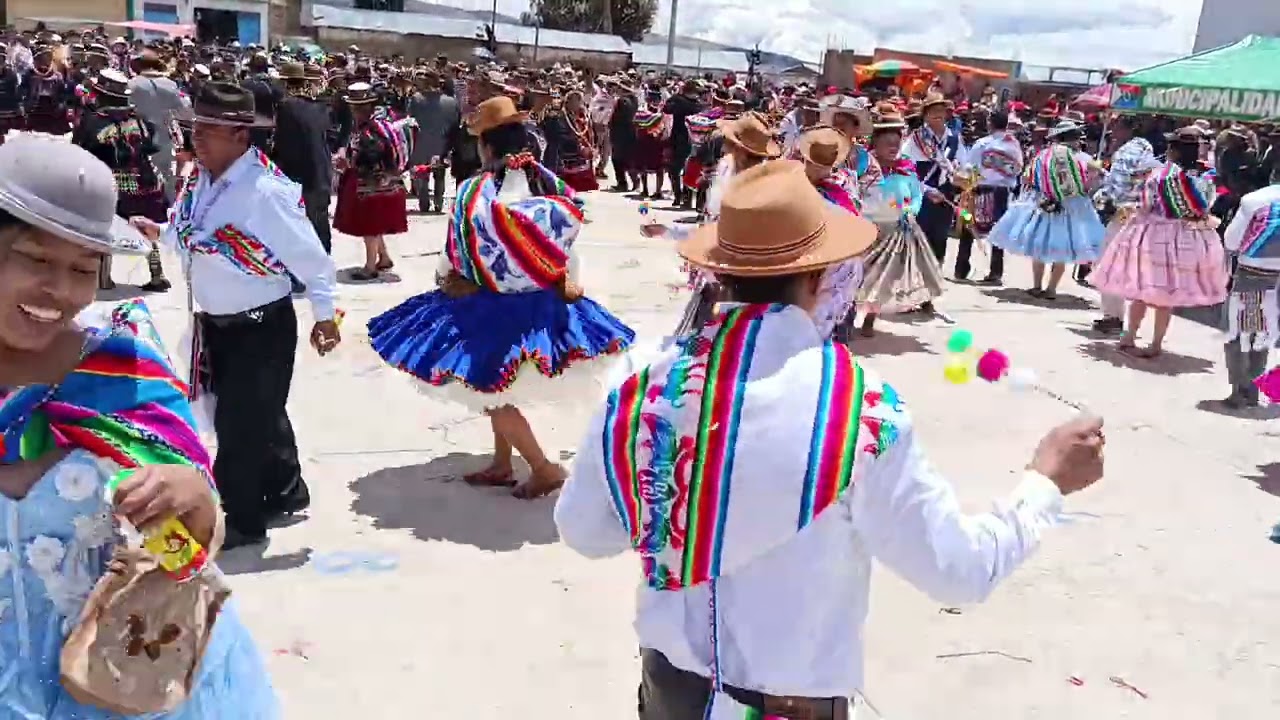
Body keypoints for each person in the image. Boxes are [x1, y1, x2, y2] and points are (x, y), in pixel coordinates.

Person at [555, 160, 1106, 720]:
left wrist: (683, 516)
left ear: (718, 272)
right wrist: (1045, 483)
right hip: (790, 705)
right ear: (819, 278)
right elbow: (957, 569)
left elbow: (585, 532)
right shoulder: (858, 410)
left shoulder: (642, 384)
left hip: (670, 691)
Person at [0, 134, 279, 717]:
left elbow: (182, 560)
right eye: (37, 259)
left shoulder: (124, 368)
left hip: (118, 678)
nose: (62, 292)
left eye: (83, 268)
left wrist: (196, 501)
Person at [367, 96, 633, 498]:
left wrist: (445, 279)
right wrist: (565, 278)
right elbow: (565, 244)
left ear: (486, 146)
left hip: (490, 304)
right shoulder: (546, 182)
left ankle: (543, 467)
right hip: (541, 302)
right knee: (496, 387)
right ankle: (502, 463)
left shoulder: (477, 193)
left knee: (487, 388)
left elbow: (456, 248)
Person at [131, 82, 341, 549]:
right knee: (260, 413)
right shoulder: (201, 181)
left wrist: (325, 317)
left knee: (238, 427)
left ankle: (243, 521)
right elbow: (194, 235)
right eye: (195, 127)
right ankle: (286, 489)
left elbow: (312, 260)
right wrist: (161, 232)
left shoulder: (265, 192)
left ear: (241, 137)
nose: (197, 137)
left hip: (261, 325)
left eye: (209, 129)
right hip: (216, 324)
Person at [1089, 126, 1228, 359]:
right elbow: (1205, 206)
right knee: (1167, 295)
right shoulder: (1204, 177)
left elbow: (1145, 204)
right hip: (1187, 237)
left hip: (1153, 235)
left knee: (1142, 289)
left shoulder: (1160, 174)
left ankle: (1129, 337)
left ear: (1173, 150)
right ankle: (1155, 344)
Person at [73, 69, 171, 293]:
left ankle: (104, 278)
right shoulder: (141, 120)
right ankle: (157, 276)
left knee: (105, 228)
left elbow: (80, 151)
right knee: (146, 227)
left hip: (110, 182)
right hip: (146, 181)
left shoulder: (93, 122)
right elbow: (152, 145)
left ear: (101, 95)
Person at [987, 120, 1105, 300]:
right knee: (1062, 249)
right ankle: (1051, 289)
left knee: (1039, 247)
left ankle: (1037, 286)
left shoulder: (1043, 156)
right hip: (1074, 207)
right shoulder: (1085, 160)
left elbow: (1027, 179)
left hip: (1044, 204)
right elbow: (1091, 185)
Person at [856, 104, 946, 336]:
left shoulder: (906, 168)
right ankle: (846, 315)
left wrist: (909, 211)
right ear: (875, 143)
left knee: (885, 277)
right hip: (866, 229)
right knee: (857, 275)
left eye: (896, 144)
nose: (893, 148)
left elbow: (914, 195)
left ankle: (871, 316)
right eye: (888, 143)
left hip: (897, 231)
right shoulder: (864, 165)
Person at [333, 82, 415, 281]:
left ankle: (370, 267)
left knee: (369, 225)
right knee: (375, 224)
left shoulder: (369, 131)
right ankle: (384, 257)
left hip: (372, 185)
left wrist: (349, 164)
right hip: (385, 183)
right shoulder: (378, 124)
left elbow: (371, 157)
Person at [1088, 115, 1157, 335]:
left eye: (1116, 127)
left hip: (1121, 214)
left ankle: (1113, 316)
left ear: (1127, 129)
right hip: (1142, 215)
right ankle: (1122, 318)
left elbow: (1116, 189)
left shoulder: (1125, 153)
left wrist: (1100, 186)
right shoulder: (1146, 149)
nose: (1113, 132)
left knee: (1106, 265)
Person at [1215, 181, 1280, 409]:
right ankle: (1257, 389)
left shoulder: (1254, 200)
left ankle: (1239, 391)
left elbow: (1231, 241)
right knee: (1265, 334)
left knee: (1239, 333)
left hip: (1253, 272)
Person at [272, 62, 335, 253]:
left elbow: (283, 144)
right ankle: (324, 269)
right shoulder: (321, 108)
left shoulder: (284, 107)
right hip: (321, 173)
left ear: (286, 83)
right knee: (320, 225)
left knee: (296, 227)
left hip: (297, 177)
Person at [956, 110, 1023, 285]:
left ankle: (961, 268)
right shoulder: (1014, 145)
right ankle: (996, 272)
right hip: (1003, 192)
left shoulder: (982, 144)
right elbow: (1018, 169)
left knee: (968, 225)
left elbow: (970, 168)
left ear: (989, 123)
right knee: (998, 230)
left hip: (980, 188)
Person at [902, 92, 966, 263]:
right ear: (926, 115)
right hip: (922, 193)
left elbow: (964, 164)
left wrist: (963, 178)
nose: (938, 114)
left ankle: (935, 273)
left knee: (940, 235)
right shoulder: (916, 139)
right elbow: (905, 169)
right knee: (919, 235)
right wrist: (925, 190)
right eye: (933, 111)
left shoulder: (954, 138)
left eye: (941, 110)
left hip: (946, 193)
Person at [406, 68, 459, 214]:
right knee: (439, 173)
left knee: (422, 174)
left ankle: (424, 203)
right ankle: (438, 203)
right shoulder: (451, 101)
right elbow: (456, 121)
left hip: (422, 142)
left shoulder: (416, 99)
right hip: (442, 142)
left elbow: (409, 120)